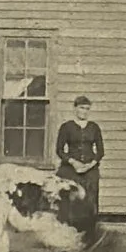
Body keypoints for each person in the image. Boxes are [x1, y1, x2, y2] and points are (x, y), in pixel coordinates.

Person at [53, 91, 104, 235]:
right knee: (68, 198)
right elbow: (59, 150)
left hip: (90, 168)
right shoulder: (66, 127)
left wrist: (90, 164)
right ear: (75, 108)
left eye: (87, 109)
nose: (84, 111)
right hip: (71, 168)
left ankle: (88, 232)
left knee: (90, 199)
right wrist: (73, 162)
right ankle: (66, 230)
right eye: (81, 108)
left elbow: (100, 151)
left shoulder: (94, 127)